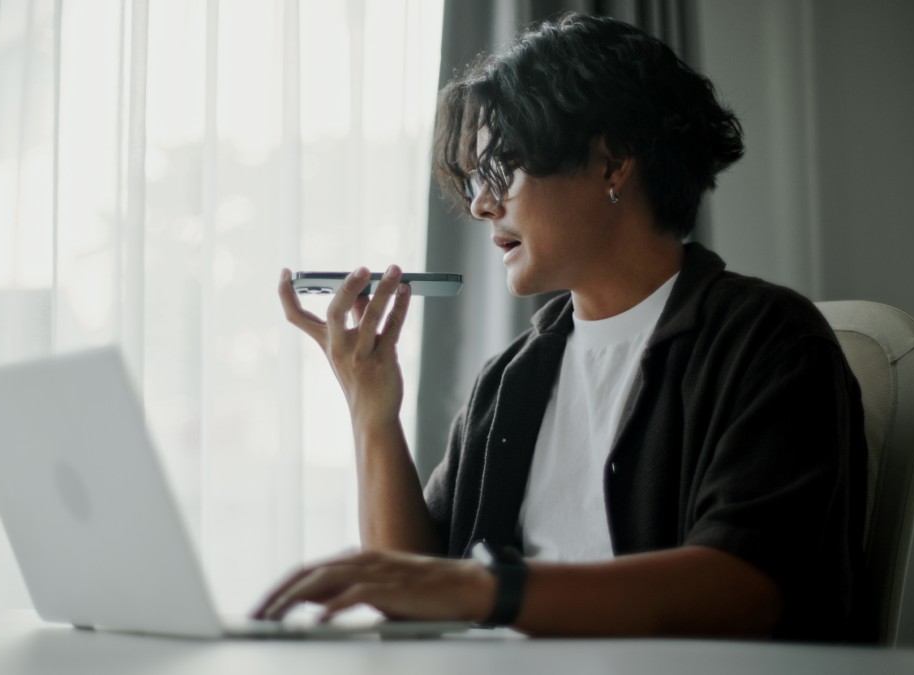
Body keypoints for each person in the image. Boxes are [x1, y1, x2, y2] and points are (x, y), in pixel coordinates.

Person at [255, 12, 866, 641]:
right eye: (475, 182)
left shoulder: (770, 343)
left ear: (612, 163)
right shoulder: (512, 379)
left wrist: (491, 589)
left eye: (505, 168)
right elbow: (416, 592)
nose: (480, 204)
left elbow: (747, 589)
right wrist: (371, 409)